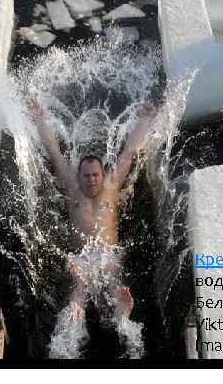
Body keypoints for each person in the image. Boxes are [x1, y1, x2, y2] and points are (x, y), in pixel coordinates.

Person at [29, 98, 155, 356]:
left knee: (114, 281)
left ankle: (123, 319)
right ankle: (68, 338)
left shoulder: (111, 187)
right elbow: (53, 150)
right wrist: (39, 117)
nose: (91, 180)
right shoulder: (72, 188)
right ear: (79, 175)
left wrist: (144, 119)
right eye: (86, 175)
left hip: (108, 253)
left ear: (102, 173)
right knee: (80, 284)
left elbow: (129, 152)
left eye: (95, 174)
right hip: (82, 257)